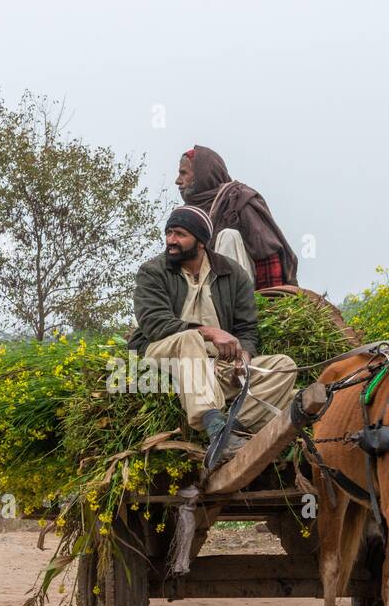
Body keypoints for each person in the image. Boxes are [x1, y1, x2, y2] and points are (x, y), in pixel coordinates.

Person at [127, 206, 298, 466]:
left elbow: (246, 329)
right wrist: (209, 333)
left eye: (180, 234)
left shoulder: (233, 273)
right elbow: (155, 324)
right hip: (165, 355)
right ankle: (212, 422)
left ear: (201, 241)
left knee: (285, 366)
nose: (171, 240)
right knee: (190, 339)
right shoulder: (152, 272)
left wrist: (245, 357)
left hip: (216, 366)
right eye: (169, 233)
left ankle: (229, 432)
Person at [175, 145, 299, 289]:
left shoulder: (237, 200)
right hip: (201, 289)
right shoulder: (188, 215)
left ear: (202, 174)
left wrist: (270, 302)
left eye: (183, 173)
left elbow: (267, 252)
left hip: (243, 290)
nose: (178, 180)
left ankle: (227, 299)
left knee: (228, 236)